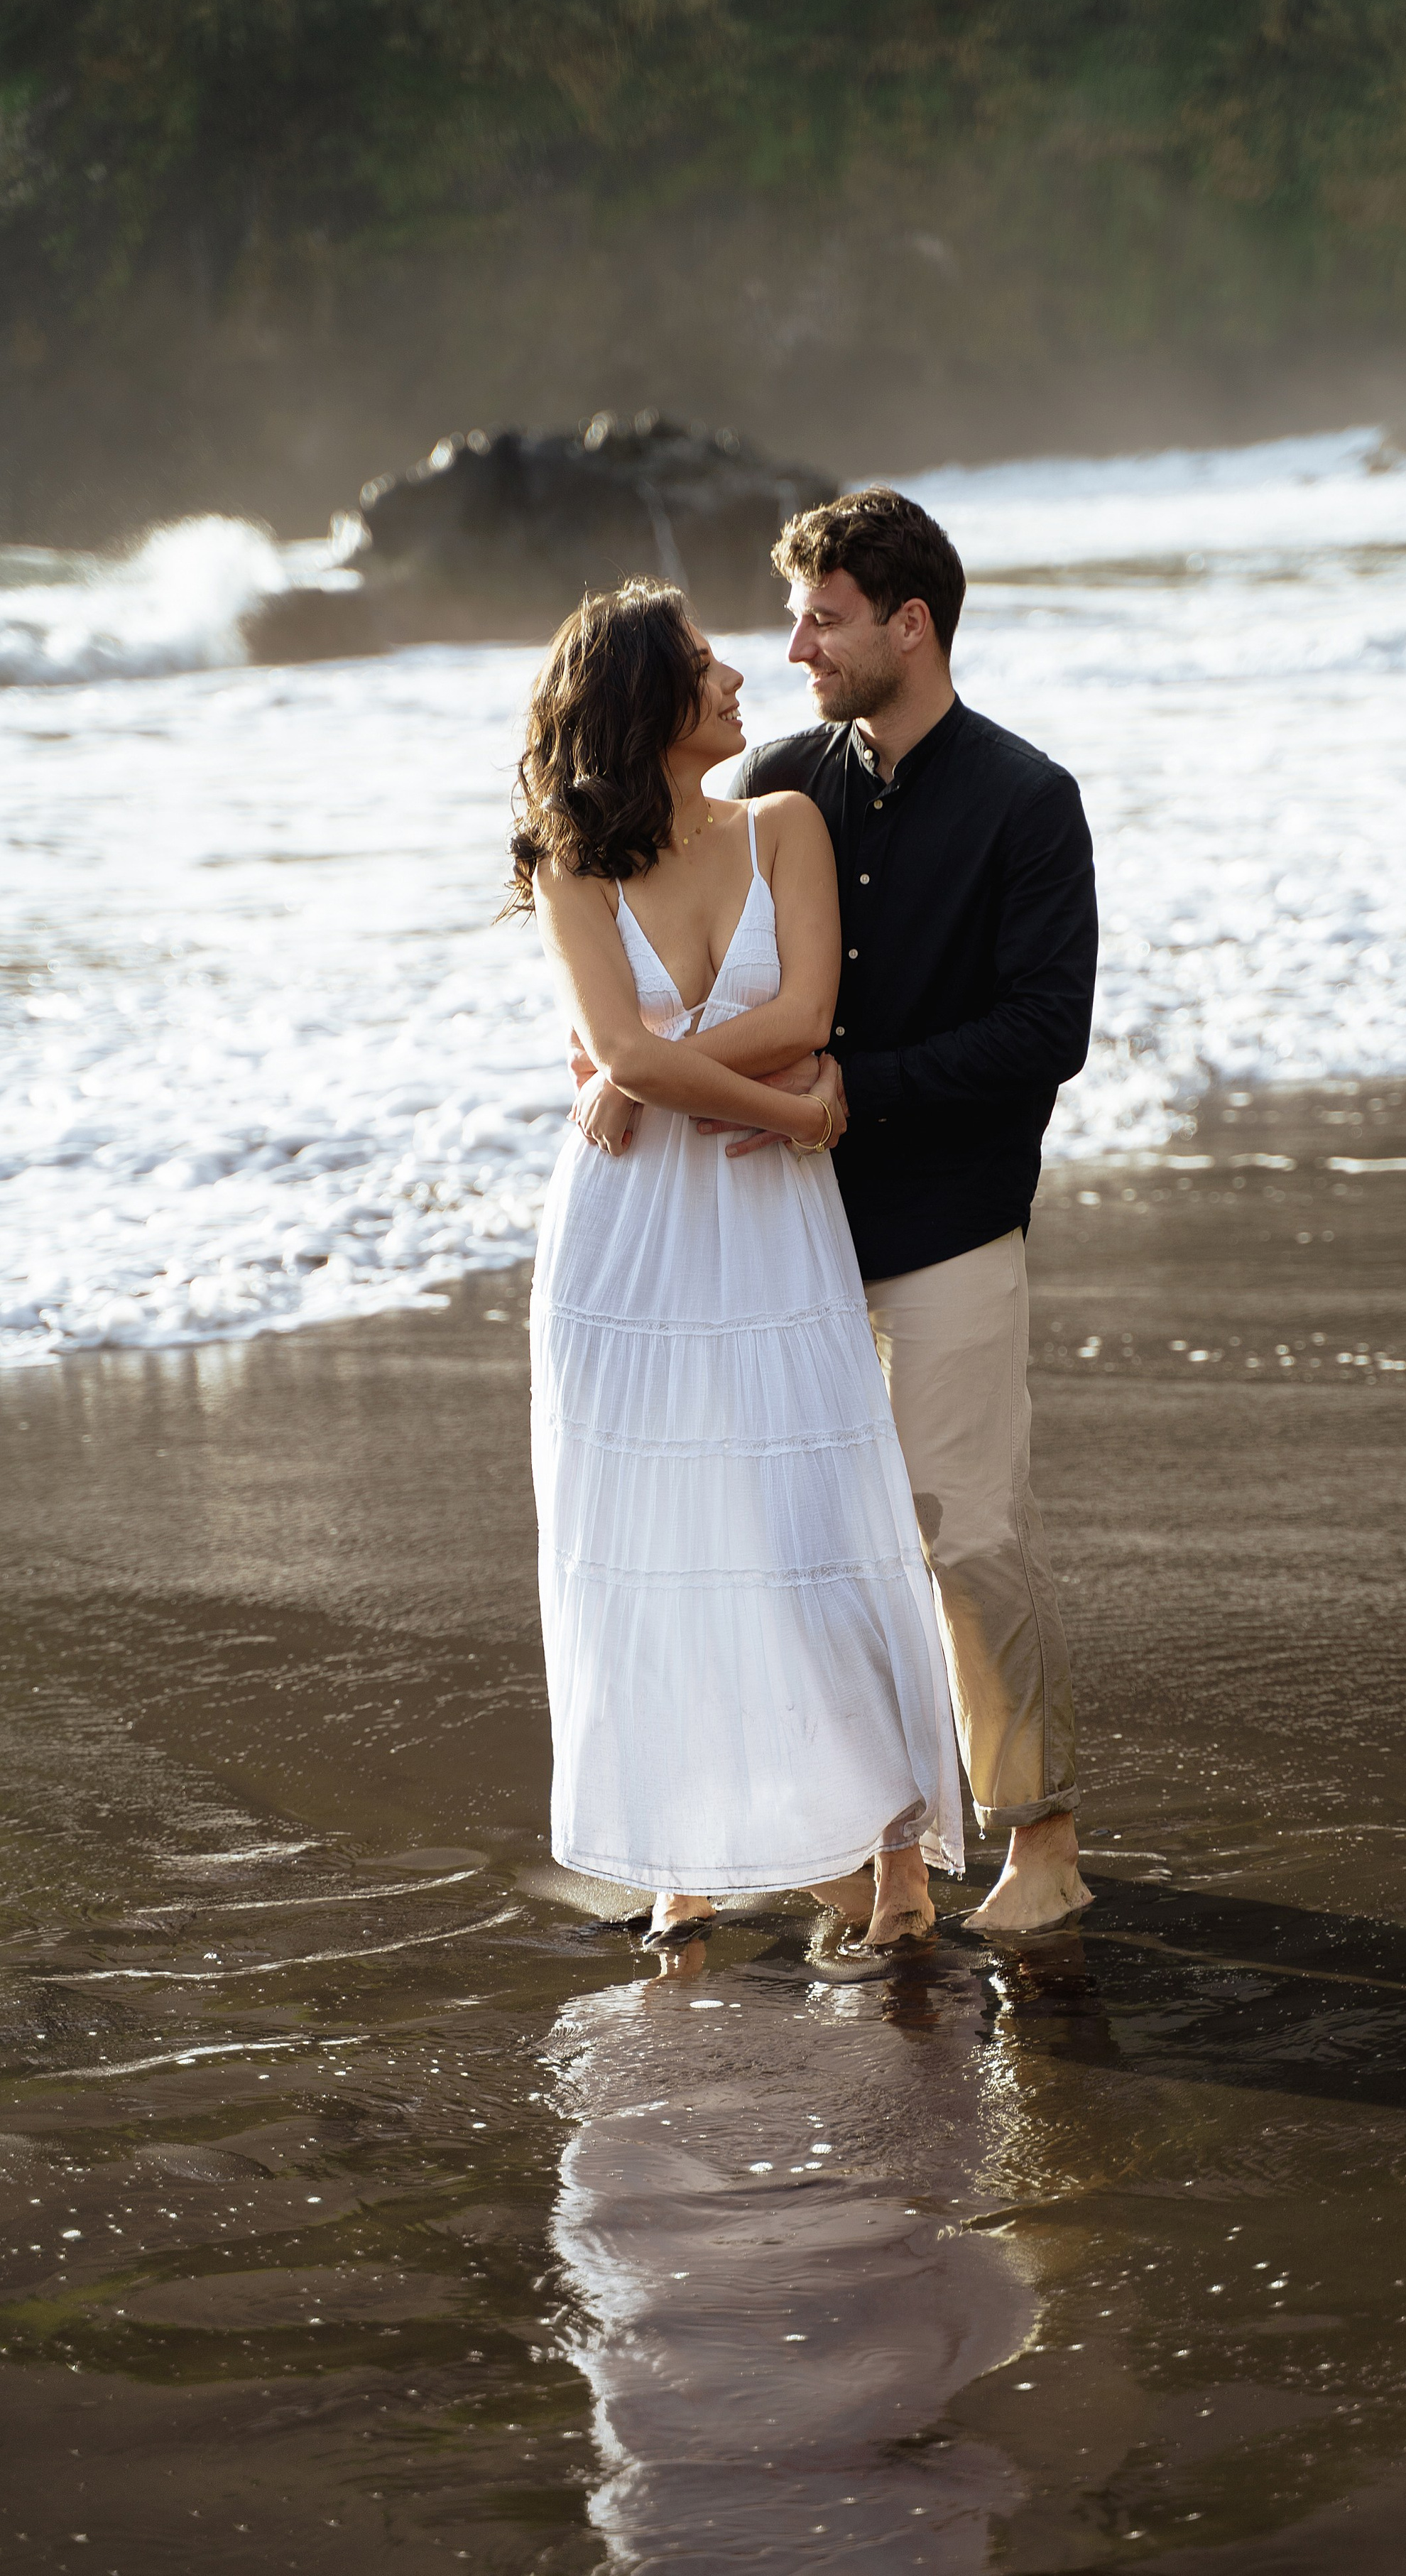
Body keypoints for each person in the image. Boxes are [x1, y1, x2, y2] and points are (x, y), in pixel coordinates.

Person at [508, 579, 964, 1950]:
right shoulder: (570, 866)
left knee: (812, 1525)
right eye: (705, 667)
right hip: (625, 1242)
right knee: (642, 1541)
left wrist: (678, 1075)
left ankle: (892, 1862)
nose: (739, 679)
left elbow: (804, 1007)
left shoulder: (786, 826)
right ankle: (679, 1856)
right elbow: (644, 1054)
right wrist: (794, 1105)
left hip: (769, 1230)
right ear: (647, 704)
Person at [722, 487, 1099, 1935]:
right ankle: (878, 1855)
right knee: (814, 1546)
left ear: (909, 623)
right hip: (788, 1234)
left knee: (965, 1534)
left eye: (822, 616)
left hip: (950, 1227)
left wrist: (849, 1086)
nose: (796, 644)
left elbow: (1040, 1031)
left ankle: (1038, 1842)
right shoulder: (772, 784)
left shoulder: (1024, 799)